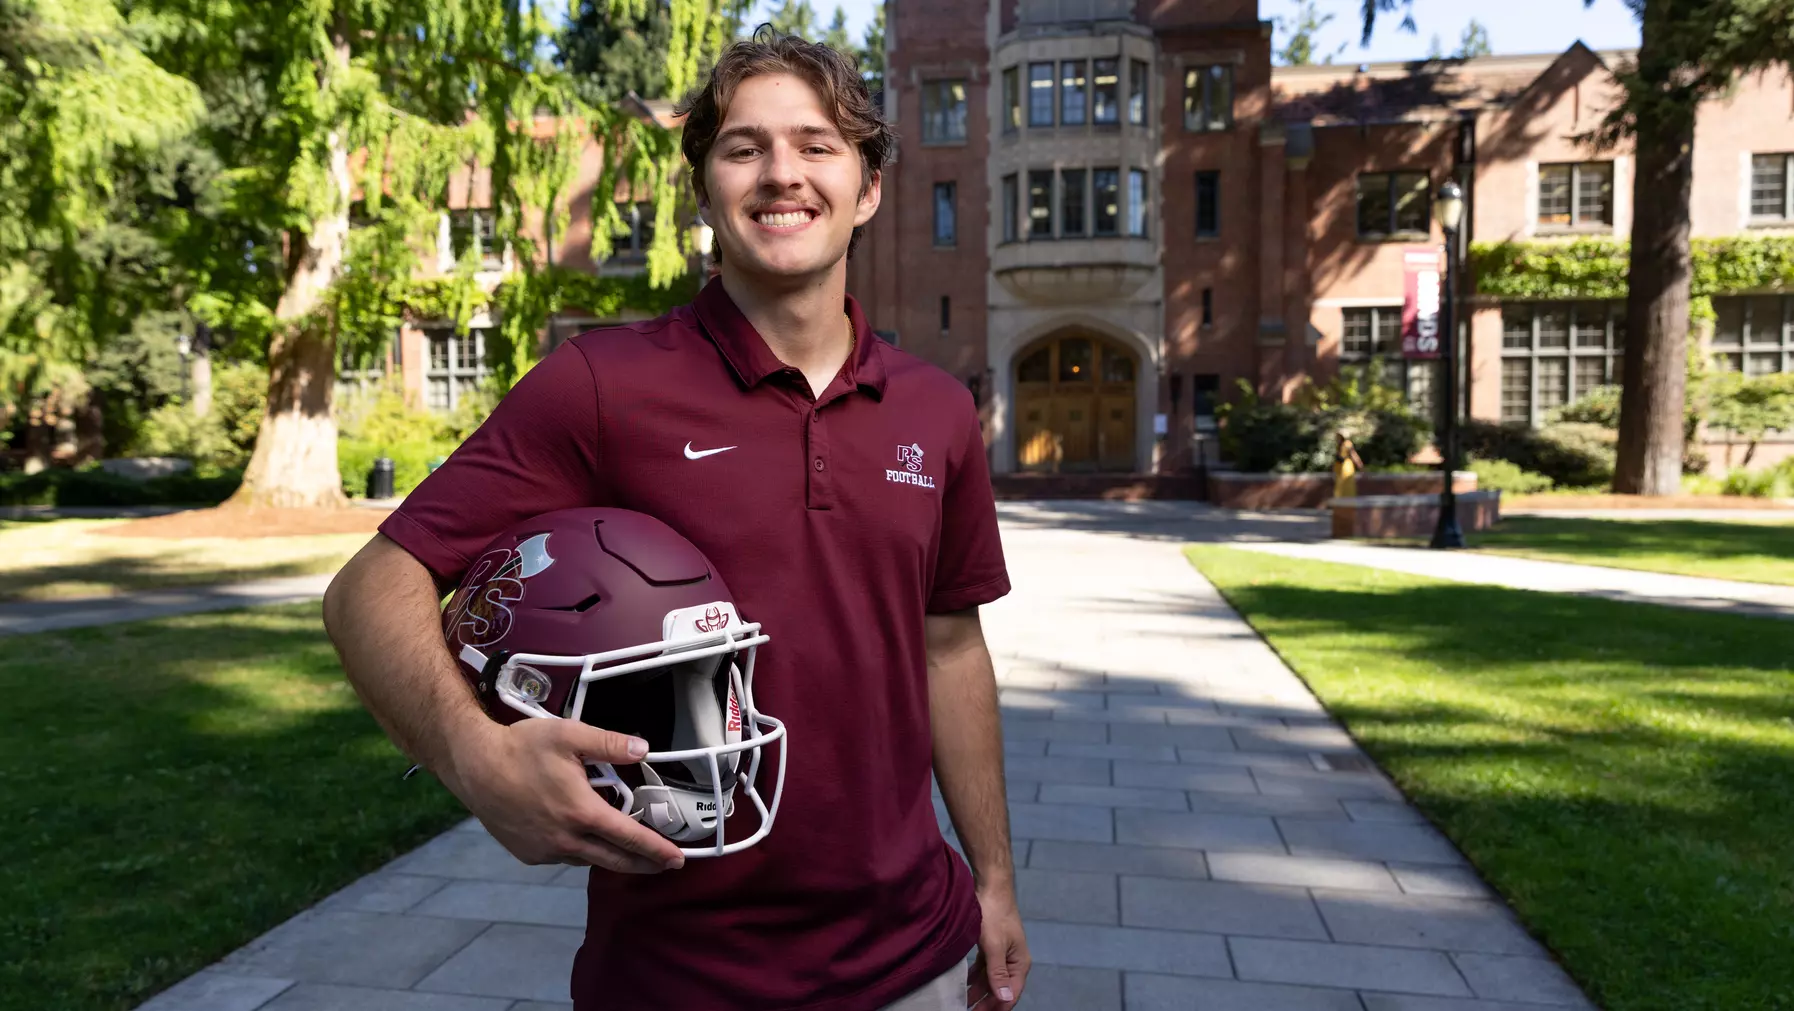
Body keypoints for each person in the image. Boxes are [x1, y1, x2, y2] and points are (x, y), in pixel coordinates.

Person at [321, 27, 1029, 1011]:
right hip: (680, 979)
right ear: (703, 192)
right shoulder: (602, 386)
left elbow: (948, 650)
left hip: (922, 956)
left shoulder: (937, 410)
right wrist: (475, 761)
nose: (782, 173)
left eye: (819, 145)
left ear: (868, 188)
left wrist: (994, 882)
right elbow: (369, 591)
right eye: (743, 148)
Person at [1333, 429, 1364, 501]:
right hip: (1339, 467)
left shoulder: (1348, 444)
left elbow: (1354, 455)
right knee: (1339, 486)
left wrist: (1360, 466)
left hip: (1346, 467)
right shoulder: (1339, 445)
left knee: (1347, 485)